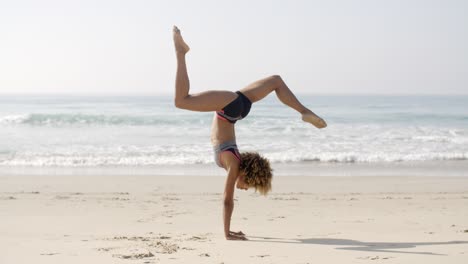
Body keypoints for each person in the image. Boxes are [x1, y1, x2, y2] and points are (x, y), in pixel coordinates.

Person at [172, 26, 327, 240]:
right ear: (246, 174)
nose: (246, 189)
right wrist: (227, 234)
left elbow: (229, 196)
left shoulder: (233, 161)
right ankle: (181, 52)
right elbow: (227, 199)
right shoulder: (234, 165)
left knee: (276, 80)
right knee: (181, 101)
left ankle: (304, 111)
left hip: (238, 109)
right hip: (228, 108)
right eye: (250, 184)